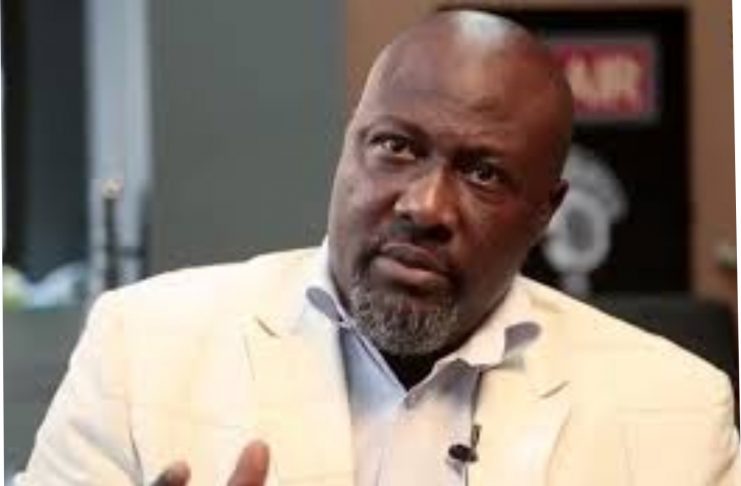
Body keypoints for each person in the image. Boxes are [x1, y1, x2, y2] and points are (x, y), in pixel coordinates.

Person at [18, 9, 739, 486]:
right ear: (348, 147)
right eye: (395, 147)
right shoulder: (141, 348)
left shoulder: (674, 409)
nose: (425, 206)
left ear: (545, 212)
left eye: (483, 174)